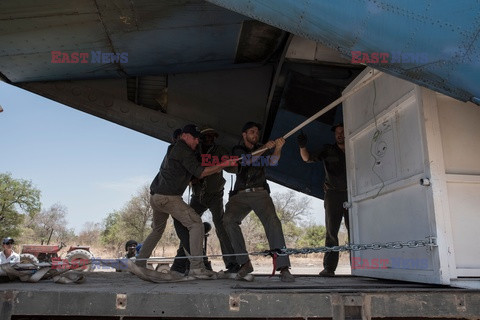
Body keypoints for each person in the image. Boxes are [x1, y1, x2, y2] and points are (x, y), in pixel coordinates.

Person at [136, 124, 236, 279]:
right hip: (169, 197)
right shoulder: (183, 150)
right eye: (195, 138)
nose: (198, 141)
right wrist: (224, 164)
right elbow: (201, 172)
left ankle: (139, 264)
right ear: (185, 136)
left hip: (155, 197)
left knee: (157, 230)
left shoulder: (173, 149)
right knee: (196, 224)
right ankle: (197, 268)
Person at [223, 121, 295, 282]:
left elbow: (273, 161)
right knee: (228, 220)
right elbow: (246, 161)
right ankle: (245, 263)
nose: (255, 135)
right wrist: (264, 149)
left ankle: (283, 268)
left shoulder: (263, 148)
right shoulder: (238, 149)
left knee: (273, 222)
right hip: (239, 195)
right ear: (244, 135)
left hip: (260, 193)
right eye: (252, 132)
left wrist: (278, 148)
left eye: (257, 132)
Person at [170, 128, 240, 275]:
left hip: (215, 195)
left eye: (212, 136)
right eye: (206, 136)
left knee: (221, 227)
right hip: (197, 195)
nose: (209, 138)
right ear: (200, 138)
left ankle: (232, 263)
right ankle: (180, 264)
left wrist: (233, 162)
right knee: (188, 226)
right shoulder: (195, 151)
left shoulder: (220, 150)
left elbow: (233, 169)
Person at [297, 123, 348, 277]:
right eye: (337, 132)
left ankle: (361, 267)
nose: (339, 135)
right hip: (333, 195)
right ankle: (329, 268)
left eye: (342, 132)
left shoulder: (357, 147)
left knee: (357, 231)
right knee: (331, 232)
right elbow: (306, 158)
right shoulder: (328, 149)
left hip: (353, 194)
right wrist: (302, 146)